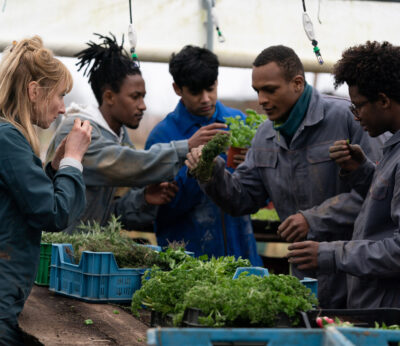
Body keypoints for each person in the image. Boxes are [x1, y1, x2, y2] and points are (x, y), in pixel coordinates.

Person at [185, 45, 384, 308]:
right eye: (257, 91)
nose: (262, 99)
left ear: (298, 83)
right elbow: (242, 198)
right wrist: (211, 173)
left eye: (270, 89)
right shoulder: (265, 135)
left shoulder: (349, 117)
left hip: (356, 274)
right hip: (305, 278)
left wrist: (312, 219)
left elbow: (377, 195)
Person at [46, 34, 226, 233]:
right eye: (135, 97)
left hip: (87, 252)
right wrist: (185, 147)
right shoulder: (78, 130)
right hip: (58, 253)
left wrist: (145, 198)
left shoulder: (119, 136)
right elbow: (122, 163)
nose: (142, 106)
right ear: (109, 97)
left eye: (144, 97)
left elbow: (113, 215)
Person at [287, 41, 400, 308]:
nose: (357, 117)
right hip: (373, 303)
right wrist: (362, 173)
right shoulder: (393, 147)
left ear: (383, 100)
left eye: (358, 106)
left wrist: (330, 254)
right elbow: (384, 211)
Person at [0, 37, 92, 345]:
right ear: (33, 91)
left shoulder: (7, 136)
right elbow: (53, 213)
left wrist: (53, 168)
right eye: (60, 95)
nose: (63, 108)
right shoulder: (8, 139)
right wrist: (73, 161)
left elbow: (24, 202)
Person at [145, 45, 262, 265]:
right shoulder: (163, 136)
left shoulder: (238, 123)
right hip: (190, 257)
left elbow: (257, 191)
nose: (206, 98)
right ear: (177, 89)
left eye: (210, 88)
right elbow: (161, 208)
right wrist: (196, 168)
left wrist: (250, 165)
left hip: (242, 253)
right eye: (195, 92)